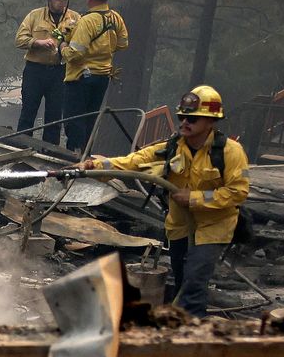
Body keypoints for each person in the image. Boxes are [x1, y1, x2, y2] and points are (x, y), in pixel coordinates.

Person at [76, 86, 249, 316]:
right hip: (179, 227)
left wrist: (194, 198)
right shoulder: (171, 148)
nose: (185, 122)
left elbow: (238, 192)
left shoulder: (230, 152)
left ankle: (190, 338)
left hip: (212, 228)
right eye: (182, 116)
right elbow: (133, 162)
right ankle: (180, 326)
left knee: (194, 286)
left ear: (210, 122)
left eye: (193, 118)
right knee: (181, 282)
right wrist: (94, 166)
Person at [59, 0, 127, 151]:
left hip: (81, 77)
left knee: (74, 119)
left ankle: (73, 154)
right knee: (91, 117)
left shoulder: (87, 21)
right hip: (102, 76)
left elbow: (74, 54)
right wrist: (103, 51)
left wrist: (62, 46)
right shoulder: (115, 18)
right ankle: (86, 154)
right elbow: (123, 43)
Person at [15, 0, 79, 146]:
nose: (61, 2)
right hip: (34, 71)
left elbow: (82, 44)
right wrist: (38, 43)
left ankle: (49, 153)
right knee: (28, 112)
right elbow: (19, 39)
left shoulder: (75, 18)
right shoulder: (34, 16)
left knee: (54, 117)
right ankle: (20, 148)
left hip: (60, 72)